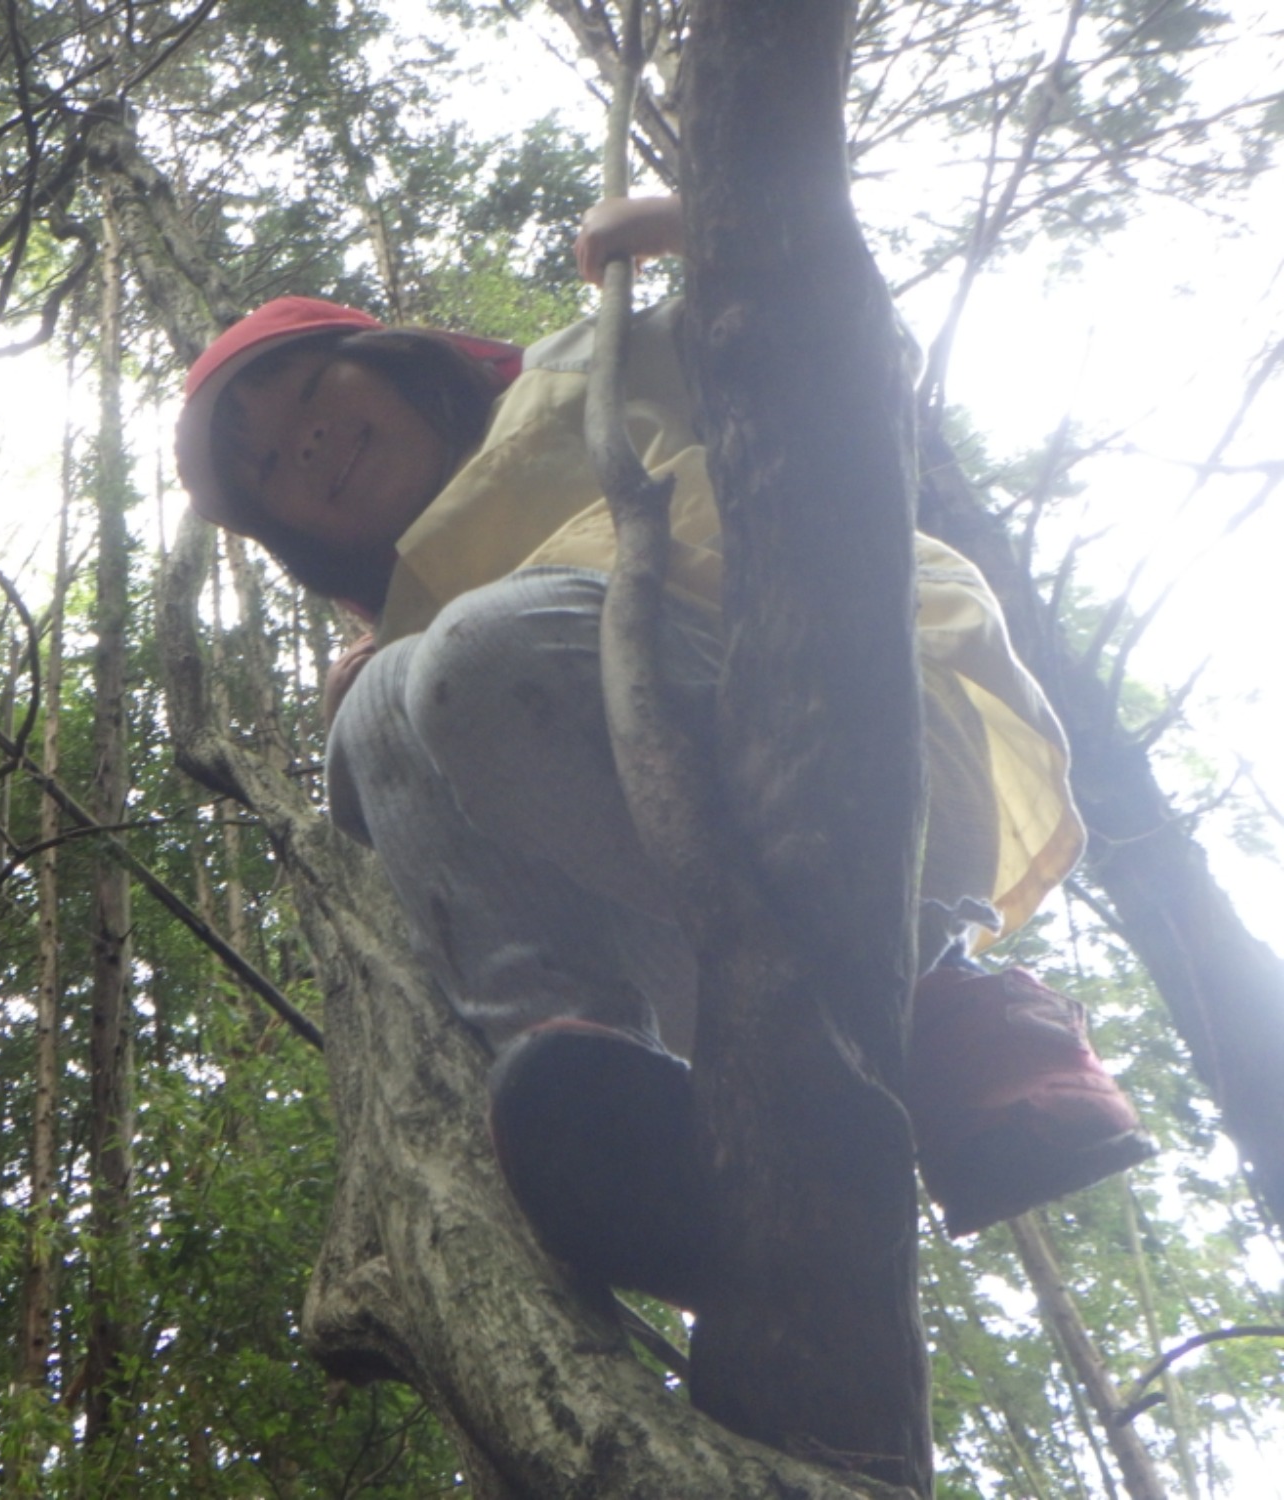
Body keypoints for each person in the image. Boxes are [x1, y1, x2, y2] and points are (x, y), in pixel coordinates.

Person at [174, 196, 1153, 1307]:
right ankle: (612, 1100)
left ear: (391, 359)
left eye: (303, 390)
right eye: (259, 471)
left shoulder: (588, 365)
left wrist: (723, 228)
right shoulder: (402, 637)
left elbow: (837, 351)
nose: (296, 445)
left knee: (470, 650)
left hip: (848, 741)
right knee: (375, 711)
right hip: (685, 935)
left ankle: (933, 992)